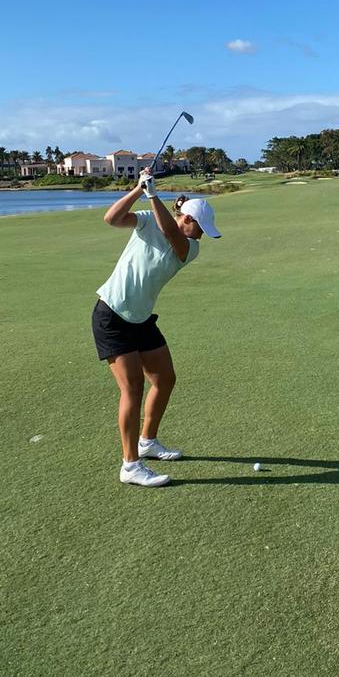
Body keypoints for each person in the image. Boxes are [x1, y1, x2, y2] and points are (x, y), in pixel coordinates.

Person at [92, 169, 221, 487]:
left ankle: (147, 442)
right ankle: (130, 465)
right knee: (133, 388)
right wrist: (139, 190)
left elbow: (173, 236)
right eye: (201, 228)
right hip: (112, 315)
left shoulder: (189, 248)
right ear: (188, 219)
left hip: (141, 319)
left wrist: (153, 195)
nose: (202, 235)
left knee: (164, 378)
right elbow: (111, 219)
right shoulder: (148, 219)